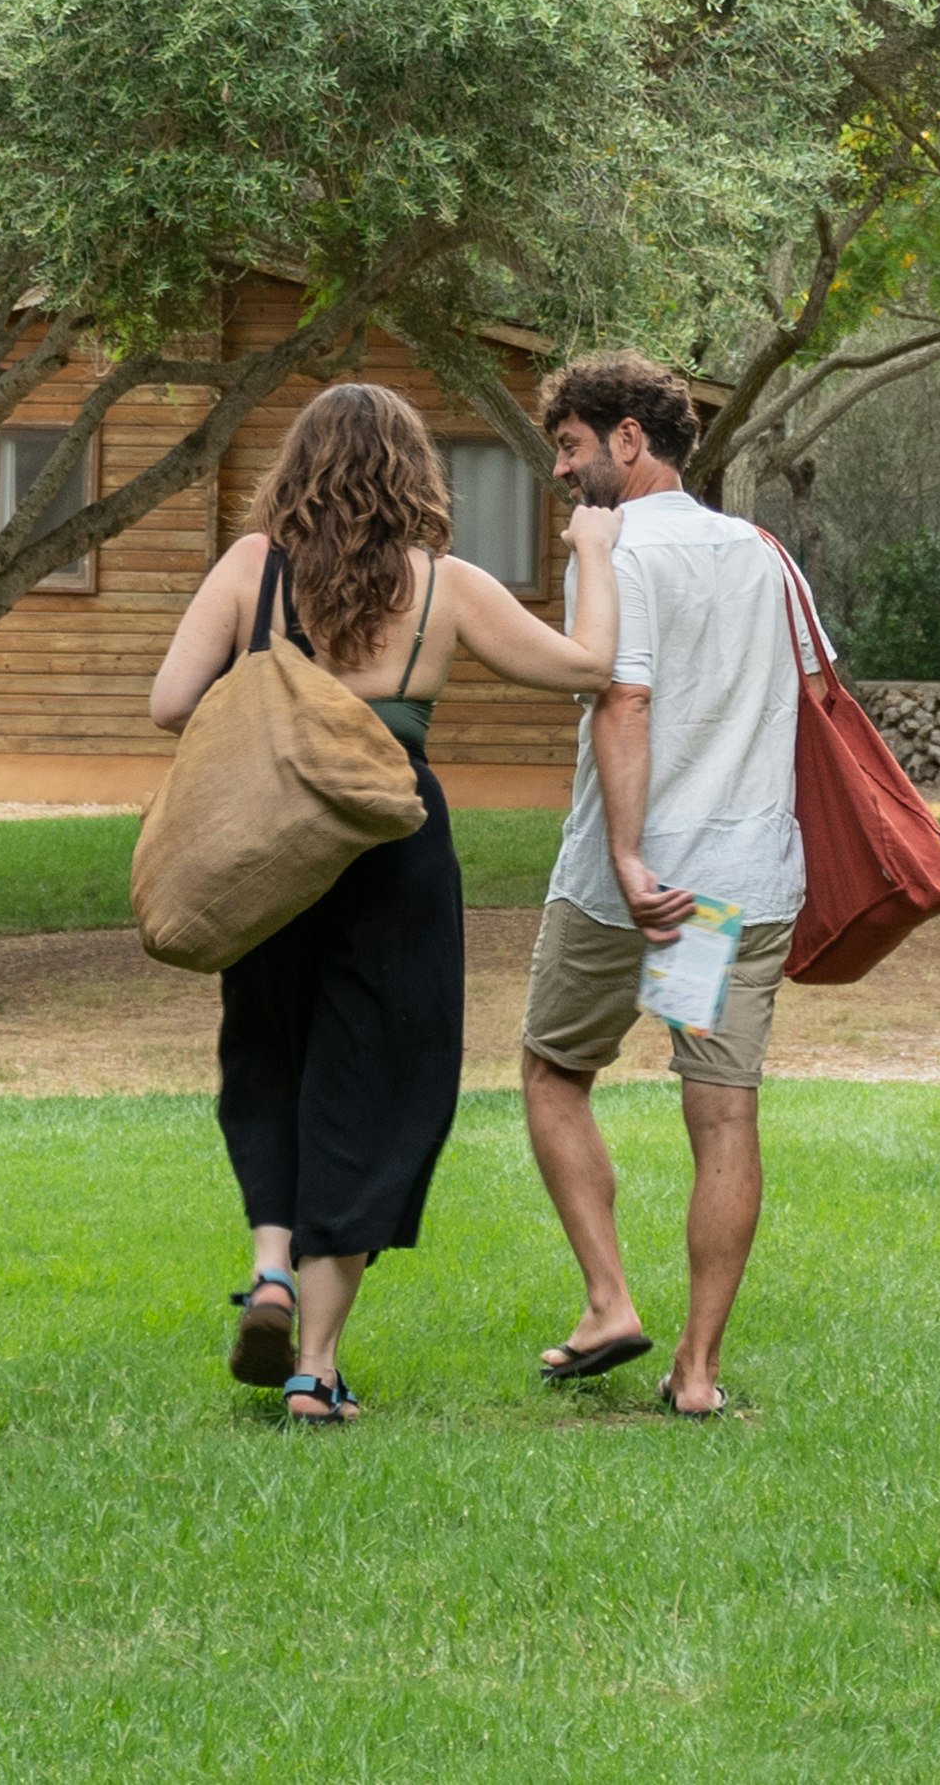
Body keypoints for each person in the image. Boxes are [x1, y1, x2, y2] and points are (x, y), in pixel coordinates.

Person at [151, 381, 624, 1425]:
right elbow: (587, 666)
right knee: (373, 1087)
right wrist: (591, 552)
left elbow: (168, 701)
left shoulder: (249, 567)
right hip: (393, 841)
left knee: (268, 1049)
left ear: (297, 467)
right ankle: (313, 1369)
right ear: (413, 472)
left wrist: (271, 681)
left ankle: (269, 1262)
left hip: (270, 845)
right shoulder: (444, 585)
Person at [519, 351, 821, 1420]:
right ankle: (694, 1370)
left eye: (568, 445)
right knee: (721, 1114)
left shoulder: (612, 548)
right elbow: (813, 698)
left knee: (555, 1069)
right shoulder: (763, 552)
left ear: (628, 440)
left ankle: (608, 1300)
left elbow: (623, 699)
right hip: (735, 886)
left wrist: (631, 856)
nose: (560, 471)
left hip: (631, 888)